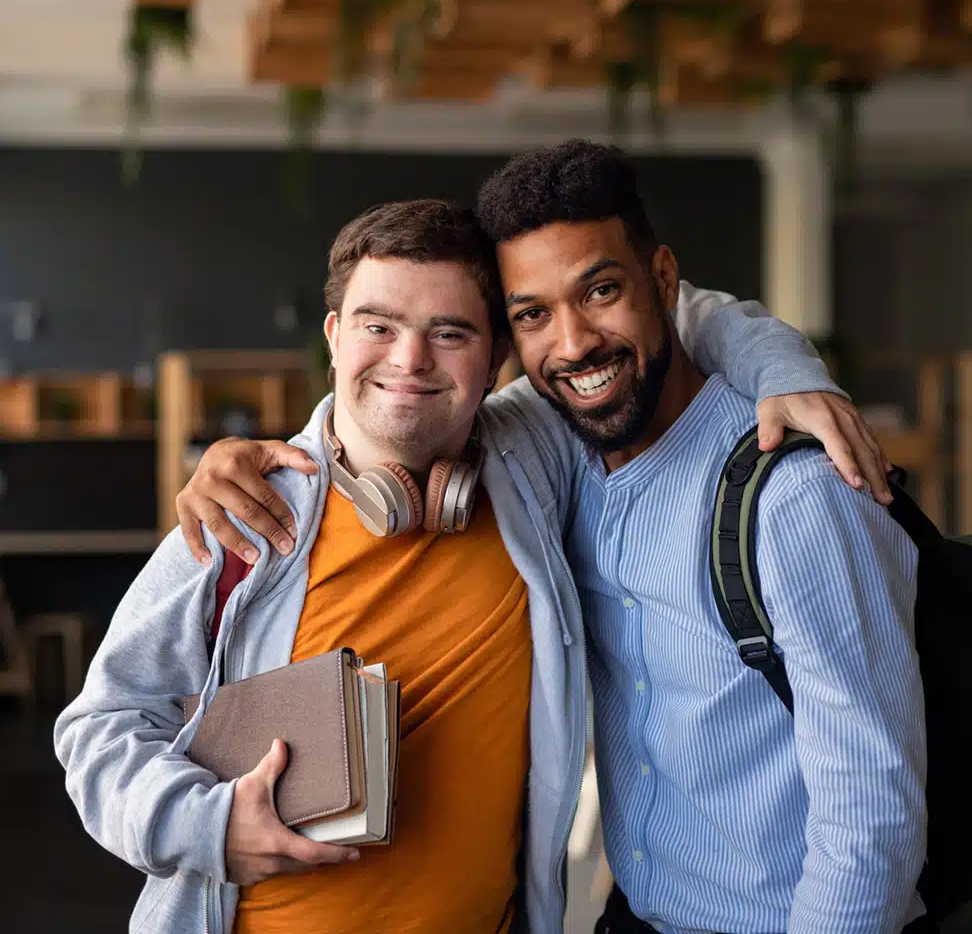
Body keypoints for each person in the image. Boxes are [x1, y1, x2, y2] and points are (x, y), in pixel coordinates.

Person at [182, 141, 927, 934]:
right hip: (633, 916)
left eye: (601, 291)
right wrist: (258, 460)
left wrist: (786, 366)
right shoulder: (549, 451)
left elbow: (870, 811)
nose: (572, 344)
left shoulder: (795, 494)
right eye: (532, 314)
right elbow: (394, 406)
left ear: (665, 282)